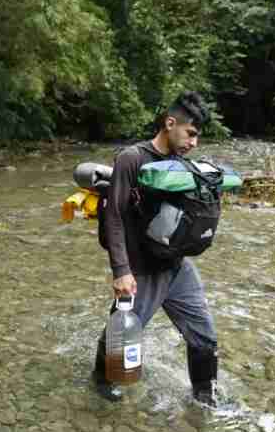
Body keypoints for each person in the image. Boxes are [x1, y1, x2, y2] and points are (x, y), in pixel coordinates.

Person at [93, 91, 220, 405]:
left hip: (176, 266)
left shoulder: (182, 165)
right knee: (120, 336)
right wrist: (121, 271)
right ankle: (101, 381)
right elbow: (115, 216)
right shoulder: (131, 159)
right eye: (190, 133)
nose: (193, 142)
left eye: (197, 137)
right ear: (170, 122)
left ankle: (205, 397)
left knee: (204, 333)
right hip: (141, 269)